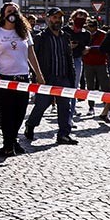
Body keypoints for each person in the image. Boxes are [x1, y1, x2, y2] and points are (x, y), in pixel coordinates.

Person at [21, 7, 78, 146]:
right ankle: (30, 124)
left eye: (59, 18)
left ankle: (63, 134)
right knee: (42, 105)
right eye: (54, 18)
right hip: (47, 78)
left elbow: (69, 58)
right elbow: (33, 58)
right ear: (48, 19)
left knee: (65, 107)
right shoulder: (41, 38)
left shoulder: (65, 37)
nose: (57, 20)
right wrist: (37, 77)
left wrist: (72, 77)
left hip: (63, 77)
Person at [0, 2, 34, 158]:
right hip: (4, 77)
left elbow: (31, 55)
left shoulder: (24, 32)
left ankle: (12, 141)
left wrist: (39, 74)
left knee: (20, 112)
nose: (13, 13)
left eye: (16, 11)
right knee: (6, 113)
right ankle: (8, 145)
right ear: (3, 14)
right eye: (9, 10)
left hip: (22, 77)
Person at [78, 13, 110, 120]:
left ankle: (107, 107)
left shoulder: (103, 35)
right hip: (88, 63)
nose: (91, 28)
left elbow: (104, 48)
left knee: (105, 86)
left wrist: (92, 49)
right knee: (90, 86)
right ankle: (91, 107)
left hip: (101, 63)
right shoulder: (84, 35)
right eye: (89, 26)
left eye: (93, 26)